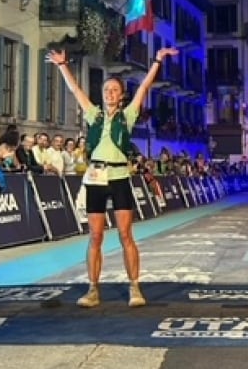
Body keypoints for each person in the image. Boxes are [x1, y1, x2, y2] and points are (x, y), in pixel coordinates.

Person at [46, 46, 179, 308]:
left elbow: (144, 88)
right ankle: (93, 289)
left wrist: (157, 60)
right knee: (95, 236)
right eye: (106, 90)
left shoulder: (128, 115)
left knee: (125, 234)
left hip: (119, 177)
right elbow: (75, 91)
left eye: (114, 90)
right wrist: (63, 65)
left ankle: (135, 288)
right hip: (96, 177)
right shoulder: (93, 114)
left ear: (121, 96)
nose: (109, 93)